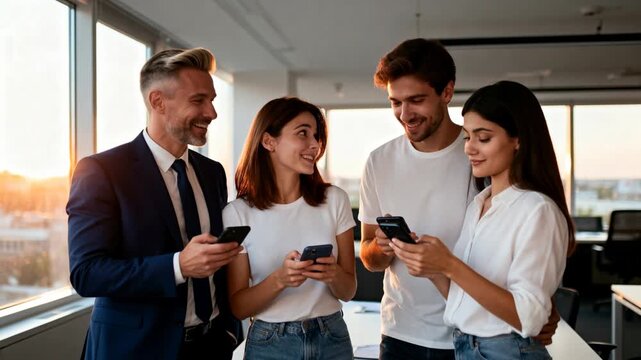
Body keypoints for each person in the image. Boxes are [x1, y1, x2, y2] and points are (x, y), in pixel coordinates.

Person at [358, 39, 559, 360]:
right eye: (395, 102)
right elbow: (368, 256)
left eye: (416, 100)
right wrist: (382, 249)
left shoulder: (485, 159)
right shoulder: (379, 161)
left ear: (447, 92)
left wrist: (538, 306)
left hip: (481, 335)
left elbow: (529, 242)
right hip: (403, 330)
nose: (404, 114)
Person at [67, 48, 243, 360]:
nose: (212, 112)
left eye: (212, 100)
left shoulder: (211, 172)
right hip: (136, 350)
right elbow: (87, 272)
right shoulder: (102, 171)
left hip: (212, 346)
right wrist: (178, 266)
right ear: (158, 101)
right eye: (198, 100)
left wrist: (229, 329)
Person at [390, 80, 576, 359]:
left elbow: (531, 317)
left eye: (484, 138)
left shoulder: (538, 211)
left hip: (506, 351)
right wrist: (433, 269)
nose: (469, 148)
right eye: (467, 137)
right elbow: (466, 302)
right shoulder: (480, 204)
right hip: (468, 347)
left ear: (518, 140)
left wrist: (450, 264)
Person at [223, 97, 356, 360]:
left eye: (316, 136)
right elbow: (238, 307)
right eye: (303, 133)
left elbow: (349, 290)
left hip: (332, 336)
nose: (315, 145)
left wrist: (332, 273)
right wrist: (280, 279)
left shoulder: (334, 200)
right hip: (269, 343)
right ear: (269, 141)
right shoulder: (238, 213)